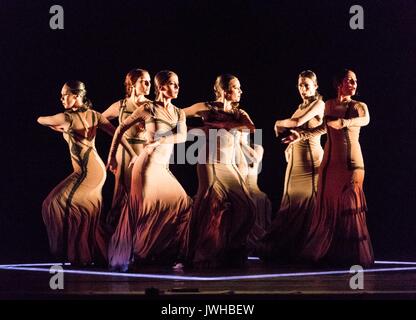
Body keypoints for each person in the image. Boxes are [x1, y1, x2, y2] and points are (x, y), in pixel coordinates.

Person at [38, 81, 137, 266]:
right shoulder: (94, 115)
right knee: (80, 211)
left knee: (55, 203)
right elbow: (118, 134)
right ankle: (90, 253)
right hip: (92, 170)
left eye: (64, 95)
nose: (61, 99)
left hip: (88, 172)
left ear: (76, 96)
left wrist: (57, 125)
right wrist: (132, 154)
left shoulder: (65, 118)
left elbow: (41, 119)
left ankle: (75, 252)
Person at [107, 70, 192, 271]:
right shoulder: (148, 108)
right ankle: (136, 254)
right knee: (144, 208)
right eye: (173, 84)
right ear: (161, 87)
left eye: (178, 83)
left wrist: (162, 139)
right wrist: (111, 156)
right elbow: (120, 129)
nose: (177, 87)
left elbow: (182, 136)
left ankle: (166, 253)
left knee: (183, 203)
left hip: (162, 167)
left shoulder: (178, 112)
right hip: (146, 166)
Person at [295, 69, 374, 267]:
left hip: (350, 163)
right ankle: (330, 252)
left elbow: (365, 120)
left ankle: (352, 256)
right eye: (350, 80)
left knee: (348, 206)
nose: (354, 84)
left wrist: (345, 122)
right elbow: (324, 128)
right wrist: (300, 135)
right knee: (329, 208)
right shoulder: (329, 104)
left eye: (356, 80)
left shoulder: (358, 106)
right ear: (339, 83)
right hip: (329, 166)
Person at [184, 74, 257, 268]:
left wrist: (223, 125)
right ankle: (197, 251)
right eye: (236, 87)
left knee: (248, 208)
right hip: (207, 159)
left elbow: (250, 128)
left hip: (228, 164)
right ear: (225, 90)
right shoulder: (205, 107)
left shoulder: (239, 113)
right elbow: (178, 115)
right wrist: (197, 130)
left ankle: (230, 246)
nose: (240, 91)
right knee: (207, 202)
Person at [258, 70, 325, 262]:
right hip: (295, 160)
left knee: (309, 202)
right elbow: (294, 127)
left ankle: (309, 247)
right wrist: (289, 145)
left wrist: (278, 123)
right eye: (300, 85)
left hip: (310, 159)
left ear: (315, 86)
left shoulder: (319, 104)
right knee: (291, 203)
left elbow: (296, 122)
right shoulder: (299, 106)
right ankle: (289, 248)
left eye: (306, 84)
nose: (303, 89)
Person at [102, 69, 151, 232]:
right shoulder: (121, 105)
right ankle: (115, 237)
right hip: (124, 153)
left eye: (149, 82)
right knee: (121, 193)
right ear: (132, 84)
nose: (148, 85)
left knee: (144, 194)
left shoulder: (150, 106)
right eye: (144, 81)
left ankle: (139, 239)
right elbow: (100, 120)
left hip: (144, 152)